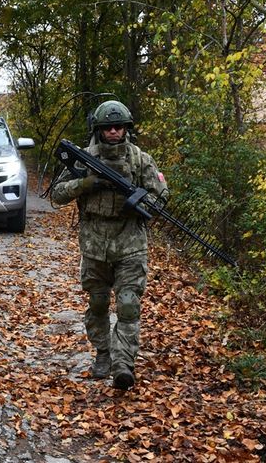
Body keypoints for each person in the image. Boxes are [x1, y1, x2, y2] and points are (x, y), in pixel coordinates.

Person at [50, 100, 167, 390]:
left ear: (126, 129)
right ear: (99, 130)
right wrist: (86, 184)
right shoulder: (83, 159)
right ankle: (103, 354)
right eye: (107, 128)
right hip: (93, 246)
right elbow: (57, 194)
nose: (113, 132)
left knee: (128, 305)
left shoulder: (141, 160)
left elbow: (160, 196)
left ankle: (123, 365)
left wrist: (141, 202)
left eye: (119, 127)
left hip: (130, 245)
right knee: (98, 303)